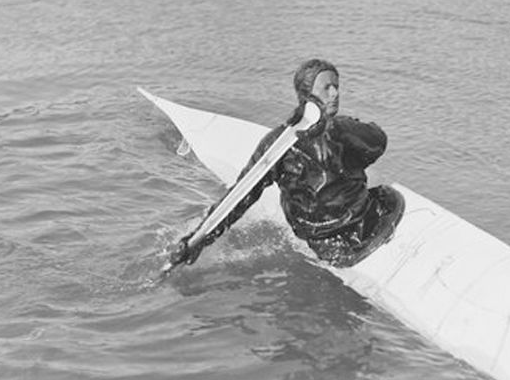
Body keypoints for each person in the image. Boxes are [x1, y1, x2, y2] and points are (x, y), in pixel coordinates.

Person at [170, 59, 404, 269]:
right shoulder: (298, 140)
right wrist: (200, 238)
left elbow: (242, 196)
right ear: (307, 95)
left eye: (336, 86)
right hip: (350, 232)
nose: (335, 93)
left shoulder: (287, 139)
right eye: (327, 87)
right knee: (388, 195)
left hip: (323, 243)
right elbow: (241, 196)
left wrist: (197, 240)